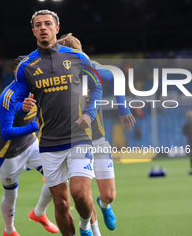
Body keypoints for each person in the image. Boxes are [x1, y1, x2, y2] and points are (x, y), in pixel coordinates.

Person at [14, 10, 103, 236]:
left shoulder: (77, 57)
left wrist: (90, 114)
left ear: (56, 28)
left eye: (47, 24)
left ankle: (84, 226)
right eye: (38, 25)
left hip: (78, 138)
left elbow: (97, 87)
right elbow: (16, 101)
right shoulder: (26, 66)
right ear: (33, 31)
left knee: (81, 195)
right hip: (49, 143)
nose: (43, 27)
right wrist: (21, 106)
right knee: (61, 204)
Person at [58, 33, 136, 235]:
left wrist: (123, 108)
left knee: (109, 194)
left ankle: (105, 206)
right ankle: (90, 229)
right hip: (74, 142)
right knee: (83, 192)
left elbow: (116, 75)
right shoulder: (55, 73)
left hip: (98, 139)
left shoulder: (90, 69)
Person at [0, 55, 59, 236]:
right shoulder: (8, 96)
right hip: (9, 151)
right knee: (11, 195)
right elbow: (6, 131)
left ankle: (39, 213)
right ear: (16, 73)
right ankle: (9, 230)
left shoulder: (40, 87)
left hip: (31, 143)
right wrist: (33, 126)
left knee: (58, 177)